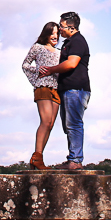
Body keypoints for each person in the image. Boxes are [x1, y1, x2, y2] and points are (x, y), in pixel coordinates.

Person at [39, 11, 90, 170]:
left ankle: (75, 160)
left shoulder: (78, 41)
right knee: (69, 125)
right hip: (68, 90)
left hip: (76, 89)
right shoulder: (70, 42)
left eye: (62, 27)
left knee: (74, 124)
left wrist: (51, 70)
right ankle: (73, 158)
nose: (59, 30)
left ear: (72, 28)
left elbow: (71, 63)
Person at [20, 21, 61, 170]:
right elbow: (25, 65)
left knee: (50, 124)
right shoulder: (37, 47)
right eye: (52, 33)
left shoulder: (60, 52)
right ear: (46, 34)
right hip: (43, 86)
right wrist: (37, 73)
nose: (55, 36)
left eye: (57, 33)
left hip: (56, 89)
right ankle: (37, 156)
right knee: (45, 121)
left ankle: (38, 158)